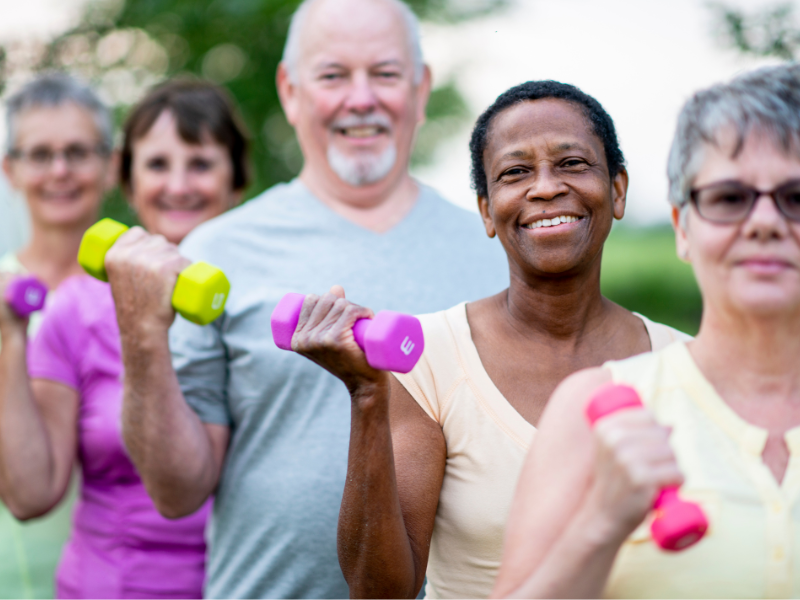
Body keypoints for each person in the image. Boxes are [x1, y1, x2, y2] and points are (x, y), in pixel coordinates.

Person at [110, 0, 508, 597]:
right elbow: (176, 492)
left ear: (421, 89)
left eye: (385, 73)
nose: (360, 97)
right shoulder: (216, 249)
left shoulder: (496, 254)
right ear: (290, 91)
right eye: (332, 75)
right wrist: (141, 336)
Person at [291, 80, 691, 599]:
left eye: (571, 163)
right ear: (486, 210)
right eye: (515, 172)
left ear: (617, 189)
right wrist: (368, 395)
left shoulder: (685, 364)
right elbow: (381, 591)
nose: (545, 187)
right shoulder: (428, 359)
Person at [493, 63, 800, 599]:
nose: (765, 221)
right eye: (729, 198)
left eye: (796, 198)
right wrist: (601, 521)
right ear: (684, 228)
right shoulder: (598, 407)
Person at [0, 78, 249, 598]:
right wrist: (8, 339)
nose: (179, 185)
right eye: (157, 165)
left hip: (250, 585)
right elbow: (30, 494)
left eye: (200, 164)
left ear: (236, 180)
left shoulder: (266, 307)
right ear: (129, 181)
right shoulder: (74, 308)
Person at [0, 72, 115, 599]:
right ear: (10, 170)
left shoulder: (142, 299)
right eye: (39, 154)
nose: (60, 171)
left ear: (111, 165)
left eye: (78, 151)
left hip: (120, 582)